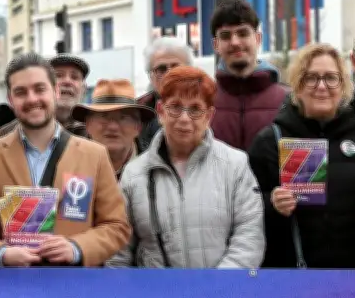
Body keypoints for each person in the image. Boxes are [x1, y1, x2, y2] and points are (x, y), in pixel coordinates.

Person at [0, 53, 130, 267]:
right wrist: (0, 253)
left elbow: (116, 225)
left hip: (74, 287)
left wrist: (77, 248)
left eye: (40, 89)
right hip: (13, 285)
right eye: (21, 92)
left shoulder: (94, 155)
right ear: (10, 100)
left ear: (55, 92)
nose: (31, 99)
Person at [106, 66, 264, 268]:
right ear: (161, 111)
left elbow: (249, 238)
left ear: (209, 116)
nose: (184, 118)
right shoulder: (134, 173)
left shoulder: (235, 165)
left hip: (222, 294)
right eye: (175, 107)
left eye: (195, 109)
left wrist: (217, 290)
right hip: (157, 296)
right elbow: (119, 251)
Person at [248, 44, 355, 269]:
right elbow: (243, 207)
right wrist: (271, 203)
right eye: (311, 78)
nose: (321, 86)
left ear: (343, 86)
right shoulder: (270, 141)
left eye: (331, 78)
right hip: (292, 278)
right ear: (297, 86)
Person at [210, 0, 288, 152]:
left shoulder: (290, 102)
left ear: (258, 39)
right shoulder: (201, 102)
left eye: (243, 33)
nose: (235, 42)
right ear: (216, 45)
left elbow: (307, 173)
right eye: (226, 36)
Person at [71, 79, 155, 180]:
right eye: (103, 117)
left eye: (123, 118)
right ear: (88, 124)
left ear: (138, 127)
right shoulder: (67, 163)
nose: (113, 127)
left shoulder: (155, 169)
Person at [0, 54, 90, 138]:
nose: (67, 82)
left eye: (74, 77)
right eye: (58, 75)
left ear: (84, 89)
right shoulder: (8, 133)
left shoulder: (95, 131)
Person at [136, 36, 194, 151]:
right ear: (150, 76)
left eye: (176, 67)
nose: (170, 74)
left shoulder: (210, 105)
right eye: (161, 69)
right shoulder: (137, 111)